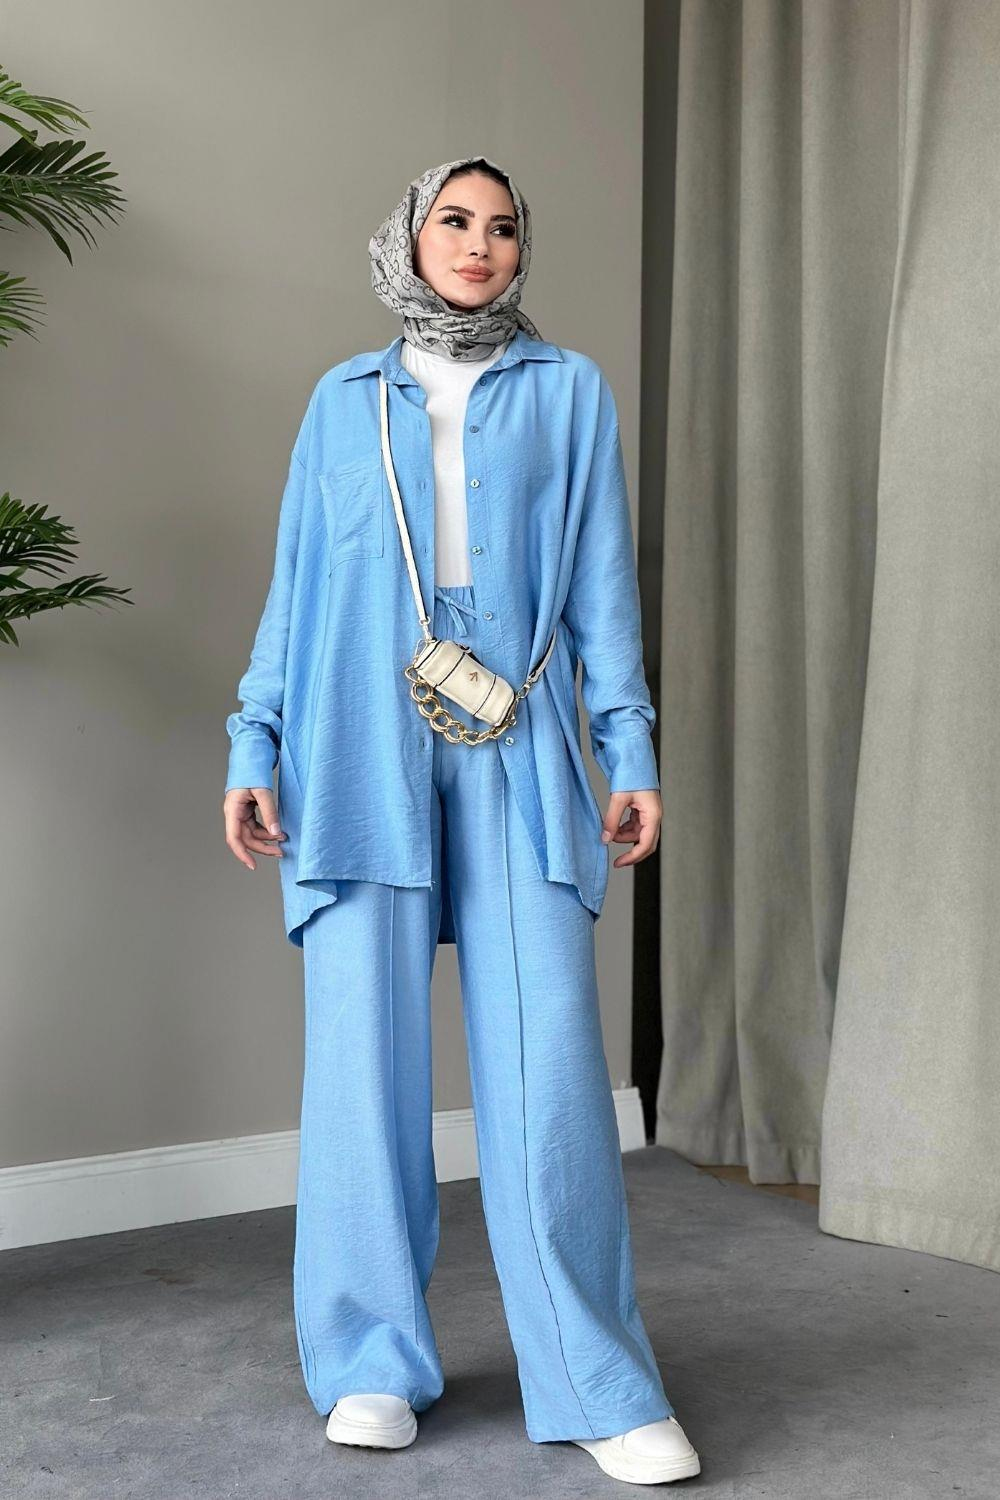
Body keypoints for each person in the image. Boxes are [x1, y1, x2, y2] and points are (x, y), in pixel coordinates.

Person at [222, 155, 701, 1486]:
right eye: (455, 220)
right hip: (355, 740)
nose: (479, 244)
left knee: (550, 1072)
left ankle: (595, 1380)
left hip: (519, 732)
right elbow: (296, 588)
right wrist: (254, 739)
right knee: (361, 1068)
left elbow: (602, 583)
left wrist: (629, 748)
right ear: (411, 236)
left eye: (502, 227)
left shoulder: (569, 391)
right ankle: (370, 1361)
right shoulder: (342, 399)